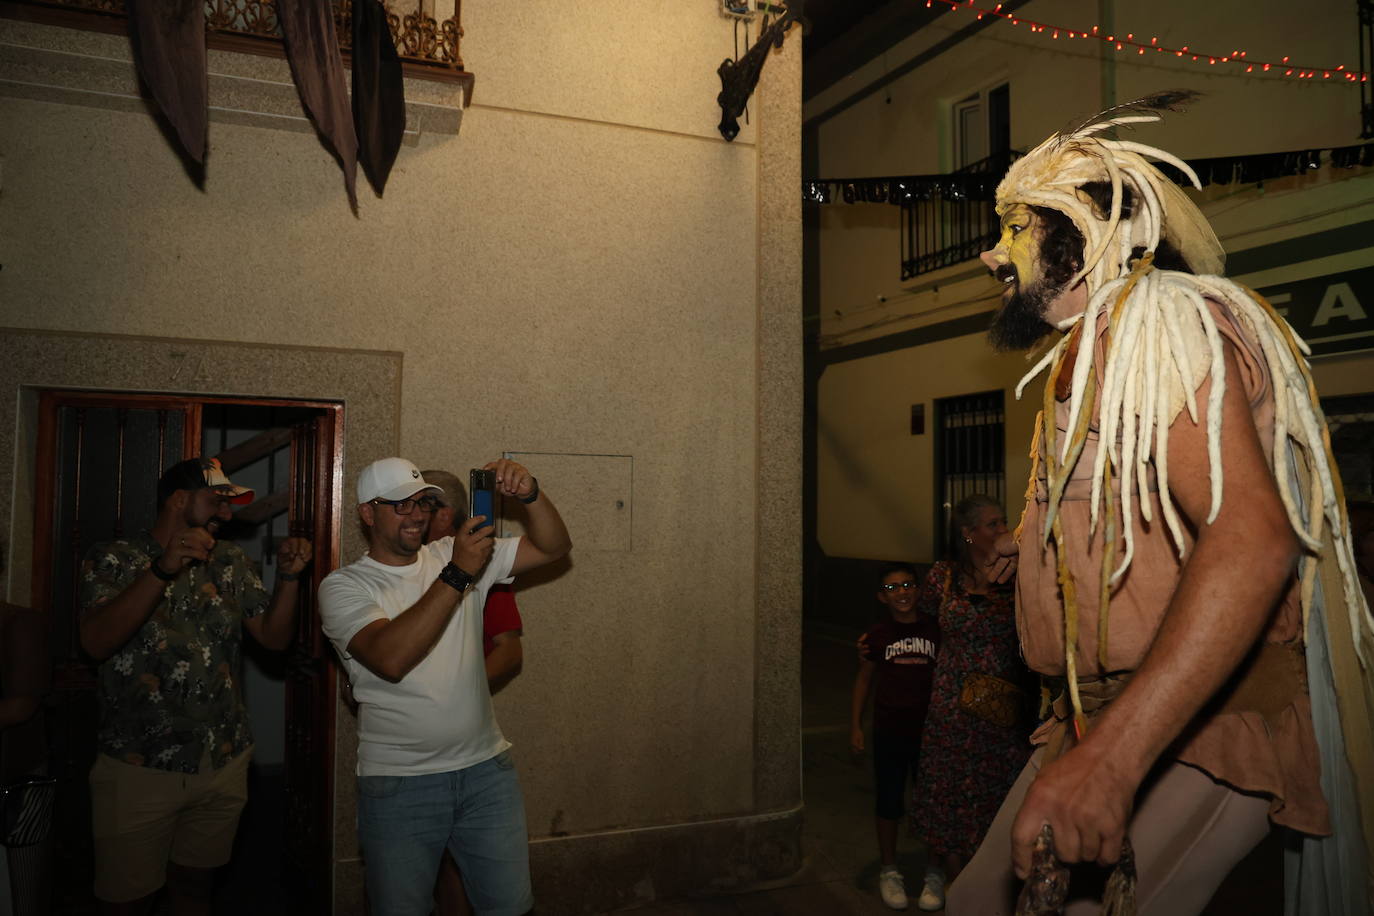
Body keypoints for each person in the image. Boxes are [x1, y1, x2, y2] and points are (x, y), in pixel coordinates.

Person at [948, 91, 1374, 915]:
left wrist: (1111, 763)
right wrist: (1035, 555)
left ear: (1084, 240)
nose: (991, 259)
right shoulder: (1103, 346)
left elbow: (1252, 541)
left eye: (1015, 231)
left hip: (1203, 729)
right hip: (1103, 718)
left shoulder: (1162, 322)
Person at [318, 456, 571, 916]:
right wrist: (457, 574)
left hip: (485, 774)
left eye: (421, 503)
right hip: (400, 784)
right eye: (398, 505)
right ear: (367, 513)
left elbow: (554, 548)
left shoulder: (449, 553)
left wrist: (531, 495)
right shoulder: (345, 586)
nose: (415, 514)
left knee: (511, 907)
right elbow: (391, 658)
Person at [79, 456, 313, 916]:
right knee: (127, 900)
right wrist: (162, 569)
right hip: (138, 765)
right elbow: (95, 643)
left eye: (229, 503)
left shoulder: (229, 561)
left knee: (193, 888)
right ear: (179, 500)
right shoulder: (113, 557)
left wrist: (288, 579)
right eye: (217, 500)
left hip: (222, 760)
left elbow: (273, 637)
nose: (227, 513)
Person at [905, 495, 1033, 911]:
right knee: (949, 788)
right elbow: (920, 618)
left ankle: (991, 879)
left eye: (1003, 522)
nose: (1002, 530)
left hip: (1002, 702)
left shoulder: (1019, 572)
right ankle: (950, 879)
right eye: (992, 524)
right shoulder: (943, 576)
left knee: (996, 790)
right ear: (968, 533)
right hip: (951, 699)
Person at [421, 469, 527, 916]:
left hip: (468, 748)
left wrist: (455, 689)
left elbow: (509, 652)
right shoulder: (402, 564)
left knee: (469, 865)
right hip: (412, 754)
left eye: (421, 505)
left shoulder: (485, 566)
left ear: (445, 515)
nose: (412, 515)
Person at [850, 562, 941, 910]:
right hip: (889, 730)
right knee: (889, 801)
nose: (901, 592)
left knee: (932, 803)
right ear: (881, 597)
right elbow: (863, 680)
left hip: (931, 732)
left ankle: (934, 872)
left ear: (918, 590)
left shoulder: (937, 631)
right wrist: (856, 724)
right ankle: (890, 869)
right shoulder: (875, 637)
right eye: (891, 588)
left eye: (907, 585)